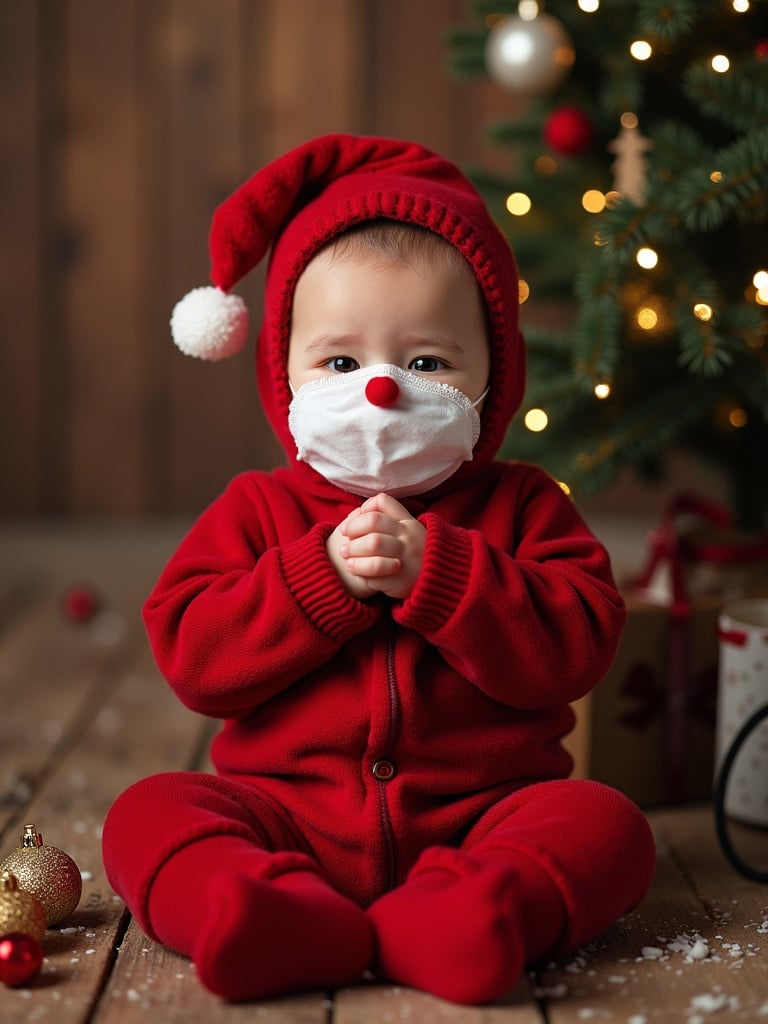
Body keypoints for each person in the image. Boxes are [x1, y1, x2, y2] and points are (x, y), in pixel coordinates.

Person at [102, 134, 655, 1006]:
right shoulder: (258, 509)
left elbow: (578, 645)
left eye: (427, 361)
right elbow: (193, 658)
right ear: (283, 372)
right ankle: (262, 910)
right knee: (147, 814)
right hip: (285, 815)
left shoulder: (524, 506)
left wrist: (445, 576)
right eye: (340, 361)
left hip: (483, 817)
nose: (382, 390)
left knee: (609, 826)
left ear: (493, 375)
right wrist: (318, 579)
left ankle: (468, 914)